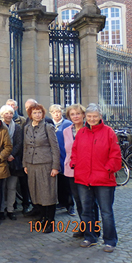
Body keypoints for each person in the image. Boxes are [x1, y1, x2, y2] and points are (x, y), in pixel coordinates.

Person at [71, 104, 121, 252]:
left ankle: (110, 240)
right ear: (86, 117)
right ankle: (90, 237)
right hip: (83, 178)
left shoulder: (108, 132)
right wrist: (74, 164)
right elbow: (75, 151)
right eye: (90, 116)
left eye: (95, 116)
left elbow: (115, 155)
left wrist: (107, 169)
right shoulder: (81, 133)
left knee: (106, 211)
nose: (92, 119)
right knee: (86, 210)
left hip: (104, 179)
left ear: (100, 117)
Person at [23, 102, 60, 233]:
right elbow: (25, 147)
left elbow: (55, 148)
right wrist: (25, 164)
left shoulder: (48, 127)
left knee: (47, 193)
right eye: (35, 112)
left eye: (39, 112)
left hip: (46, 164)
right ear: (30, 114)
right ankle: (42, 217)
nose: (37, 115)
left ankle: (50, 221)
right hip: (31, 165)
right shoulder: (27, 127)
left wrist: (55, 166)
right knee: (36, 192)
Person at [63, 103, 95, 239]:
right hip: (71, 170)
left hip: (88, 170)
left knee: (90, 202)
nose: (75, 116)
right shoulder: (66, 131)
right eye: (72, 114)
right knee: (78, 201)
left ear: (83, 115)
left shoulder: (90, 129)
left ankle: (93, 230)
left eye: (77, 113)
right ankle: (84, 227)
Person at [0, 105, 23, 221]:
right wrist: (4, 155)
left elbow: (19, 143)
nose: (9, 115)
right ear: (2, 114)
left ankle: (10, 209)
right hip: (2, 161)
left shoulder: (17, 127)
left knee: (12, 187)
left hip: (13, 161)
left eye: (11, 113)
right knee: (2, 187)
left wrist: (12, 155)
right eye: (6, 113)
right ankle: (1, 209)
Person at [49, 104, 75, 216]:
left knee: (67, 183)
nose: (56, 114)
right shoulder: (49, 124)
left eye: (58, 112)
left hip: (65, 156)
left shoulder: (67, 124)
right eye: (54, 112)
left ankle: (70, 205)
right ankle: (61, 202)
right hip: (54, 158)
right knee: (58, 182)